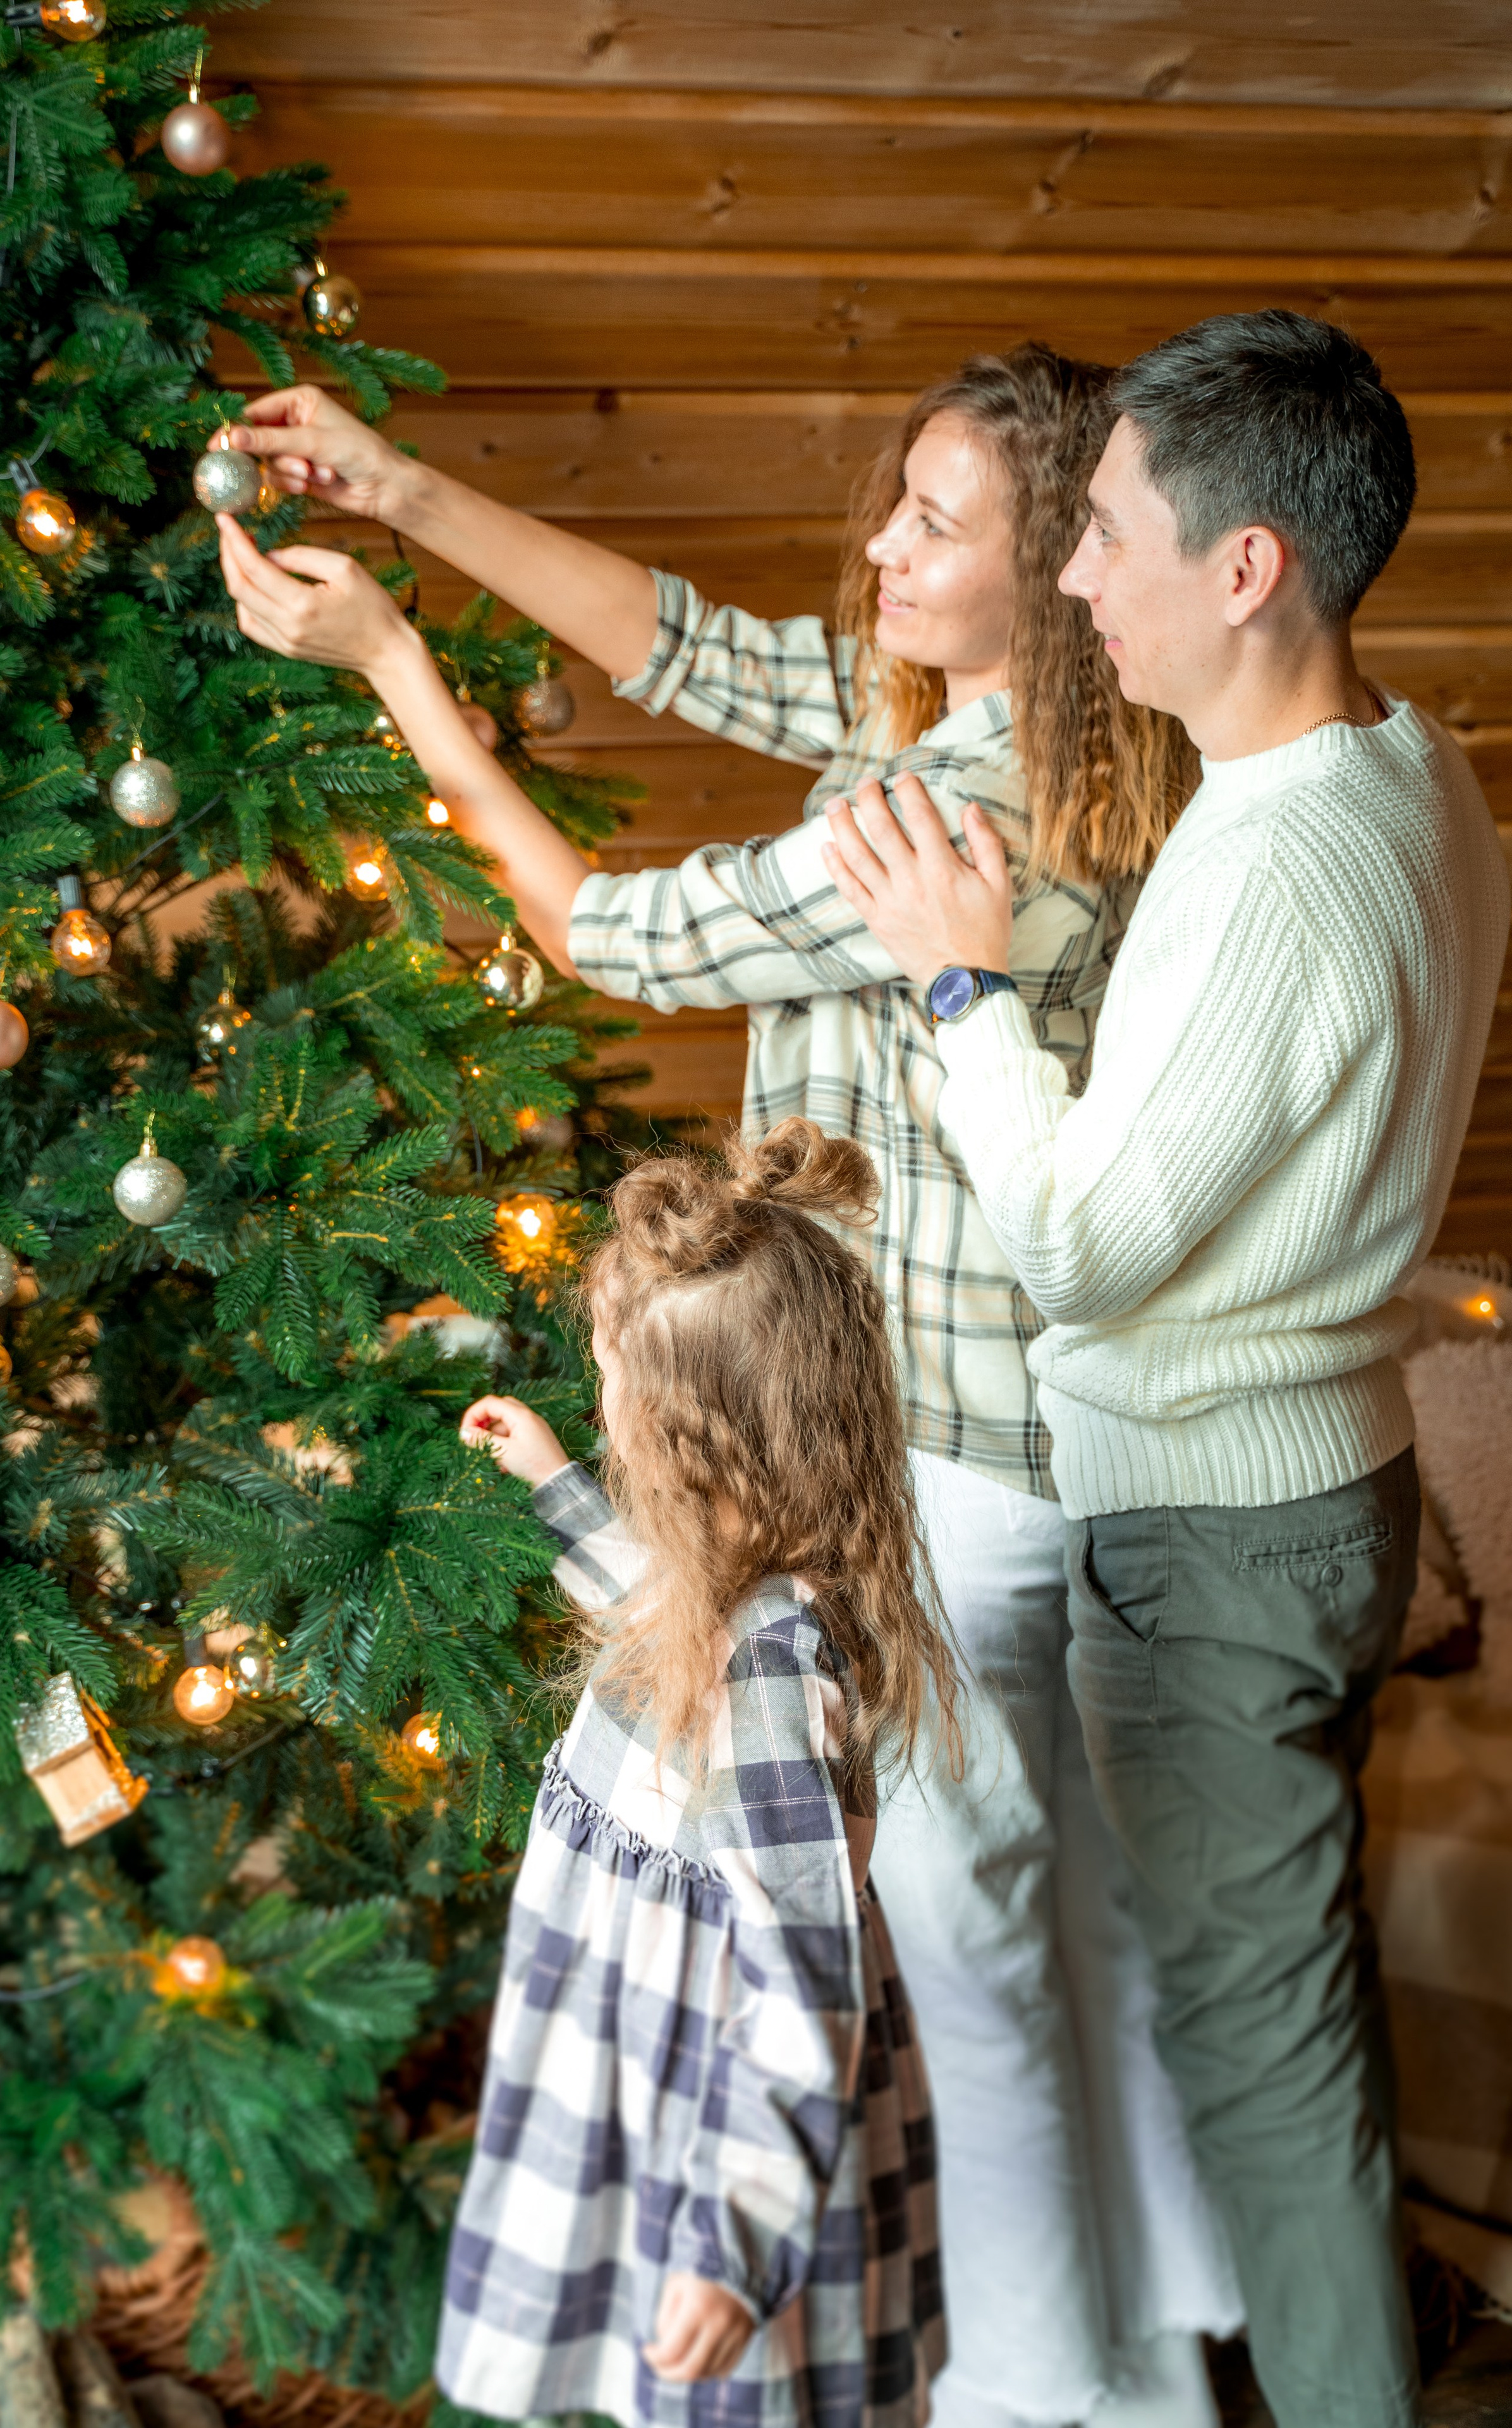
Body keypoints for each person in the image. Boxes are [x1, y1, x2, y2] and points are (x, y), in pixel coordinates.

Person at [215, 351, 1243, 2428]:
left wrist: (390, 657)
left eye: (932, 524)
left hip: (959, 1466)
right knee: (1066, 1921)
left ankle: (1053, 2398)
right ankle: (1175, 2349)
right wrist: (405, 490)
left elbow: (605, 924)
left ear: (1049, 568)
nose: (879, 547)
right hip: (1039, 1441)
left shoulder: (936, 808)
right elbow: (702, 648)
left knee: (960, 1962)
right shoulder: (1038, 725)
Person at [816, 308, 1512, 2428]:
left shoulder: (1276, 862)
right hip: (1313, 1490)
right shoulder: (1401, 768)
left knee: (1278, 2090)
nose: (1072, 579)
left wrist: (955, 989)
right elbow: (1237, 1098)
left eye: (1104, 534)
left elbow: (1089, 1244)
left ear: (1246, 570)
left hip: (1214, 1539)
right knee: (1277, 2033)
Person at [437, 1117, 957, 2427]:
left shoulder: (778, 1674)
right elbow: (657, 1610)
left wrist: (733, 2246)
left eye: (607, 1381)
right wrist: (557, 1482)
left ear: (684, 1441)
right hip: (646, 2075)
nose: (597, 1399)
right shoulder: (726, 1580)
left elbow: (799, 1989)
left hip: (722, 2117)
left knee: (739, 2394)